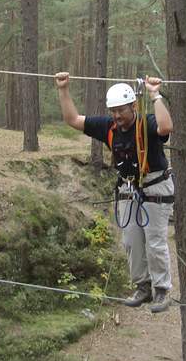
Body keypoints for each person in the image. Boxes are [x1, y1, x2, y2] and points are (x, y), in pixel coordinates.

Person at [54, 72, 175, 313]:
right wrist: (63, 89)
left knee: (155, 242)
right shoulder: (109, 127)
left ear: (132, 106)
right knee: (131, 241)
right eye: (114, 111)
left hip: (154, 186)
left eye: (121, 110)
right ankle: (143, 286)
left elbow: (166, 126)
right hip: (128, 188)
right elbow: (73, 119)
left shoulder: (146, 123)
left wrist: (155, 95)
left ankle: (162, 290)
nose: (117, 116)